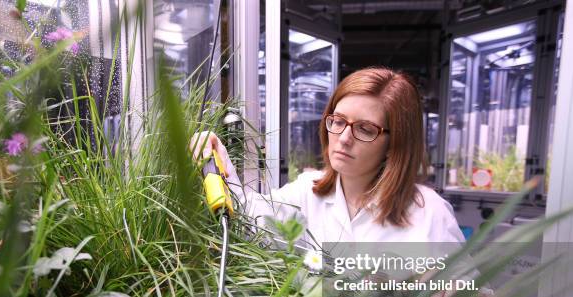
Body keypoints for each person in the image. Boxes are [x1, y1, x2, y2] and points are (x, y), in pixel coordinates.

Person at [192, 67, 465, 249]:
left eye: (365, 129)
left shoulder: (430, 214)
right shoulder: (310, 192)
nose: (344, 137)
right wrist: (219, 159)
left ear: (396, 142)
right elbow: (247, 219)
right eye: (338, 121)